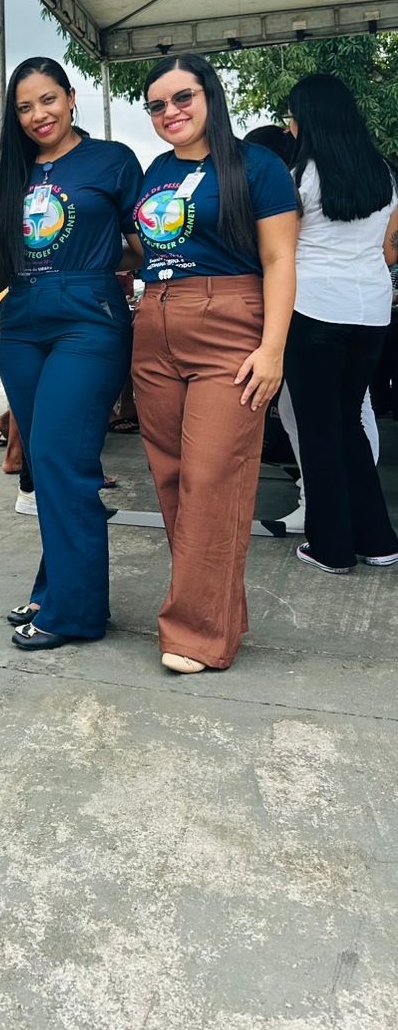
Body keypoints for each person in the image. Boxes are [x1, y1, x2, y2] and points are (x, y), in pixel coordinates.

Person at [132, 54, 297, 675]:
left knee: (211, 478)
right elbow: (146, 247)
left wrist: (273, 348)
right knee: (173, 478)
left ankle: (197, 633)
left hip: (229, 321)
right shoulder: (156, 171)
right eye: (157, 105)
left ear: (210, 97)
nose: (170, 112)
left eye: (183, 97)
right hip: (155, 323)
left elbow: (280, 259)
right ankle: (215, 613)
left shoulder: (258, 166)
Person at [0, 57, 143, 651]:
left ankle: (76, 612)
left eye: (48, 100)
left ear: (71, 98)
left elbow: (140, 245)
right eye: (24, 107)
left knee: (62, 458)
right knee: (45, 464)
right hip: (21, 320)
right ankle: (56, 590)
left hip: (87, 319)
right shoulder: (11, 173)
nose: (38, 115)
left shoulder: (112, 160)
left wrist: (93, 263)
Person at [280, 74, 398, 573]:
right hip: (371, 311)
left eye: (291, 116)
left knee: (318, 430)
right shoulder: (384, 173)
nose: (289, 125)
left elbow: (282, 250)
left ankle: (330, 547)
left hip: (312, 309)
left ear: (308, 118)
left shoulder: (300, 175)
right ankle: (378, 539)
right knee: (348, 421)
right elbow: (389, 249)